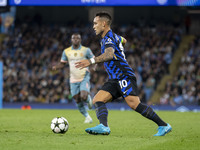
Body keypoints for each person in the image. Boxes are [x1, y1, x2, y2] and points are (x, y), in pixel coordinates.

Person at [75, 12, 172, 136]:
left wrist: (91, 61)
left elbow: (109, 54)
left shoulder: (108, 38)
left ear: (103, 24)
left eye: (95, 23)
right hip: (115, 78)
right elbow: (123, 40)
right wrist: (120, 50)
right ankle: (104, 127)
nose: (93, 26)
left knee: (134, 104)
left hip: (124, 75)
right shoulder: (114, 36)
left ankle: (163, 125)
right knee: (98, 99)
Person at [52, 33, 94, 123]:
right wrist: (56, 67)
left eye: (77, 38)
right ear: (71, 40)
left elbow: (94, 59)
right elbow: (62, 63)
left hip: (84, 76)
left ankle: (88, 99)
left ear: (80, 40)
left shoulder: (86, 50)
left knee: (83, 96)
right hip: (73, 78)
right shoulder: (66, 51)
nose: (75, 39)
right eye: (74, 38)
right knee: (77, 99)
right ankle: (87, 117)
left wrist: (93, 67)